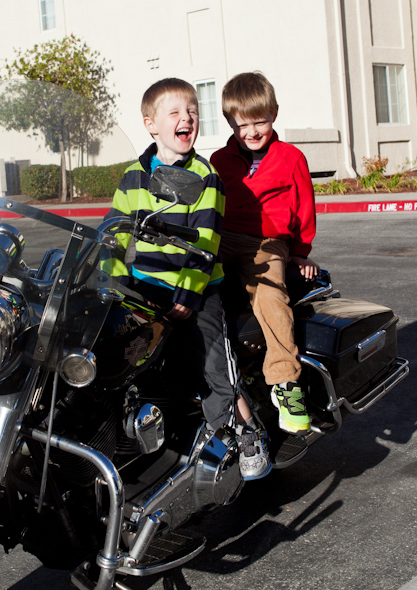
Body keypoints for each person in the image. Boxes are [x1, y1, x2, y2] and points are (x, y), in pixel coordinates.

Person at [104, 78, 270, 480]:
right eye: (175, 112)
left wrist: (189, 292)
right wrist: (111, 278)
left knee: (213, 357)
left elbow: (208, 240)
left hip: (194, 289)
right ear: (151, 124)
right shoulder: (132, 176)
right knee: (110, 349)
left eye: (192, 111)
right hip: (143, 286)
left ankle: (243, 429)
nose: (187, 119)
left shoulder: (206, 176)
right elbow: (115, 230)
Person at [211, 71, 318, 436]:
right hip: (224, 237)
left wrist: (299, 253)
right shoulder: (218, 160)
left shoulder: (291, 158)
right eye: (244, 125)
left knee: (270, 294)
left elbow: (305, 208)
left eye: (262, 122)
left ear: (274, 113)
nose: (253, 132)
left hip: (267, 243)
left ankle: (286, 382)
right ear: (229, 121)